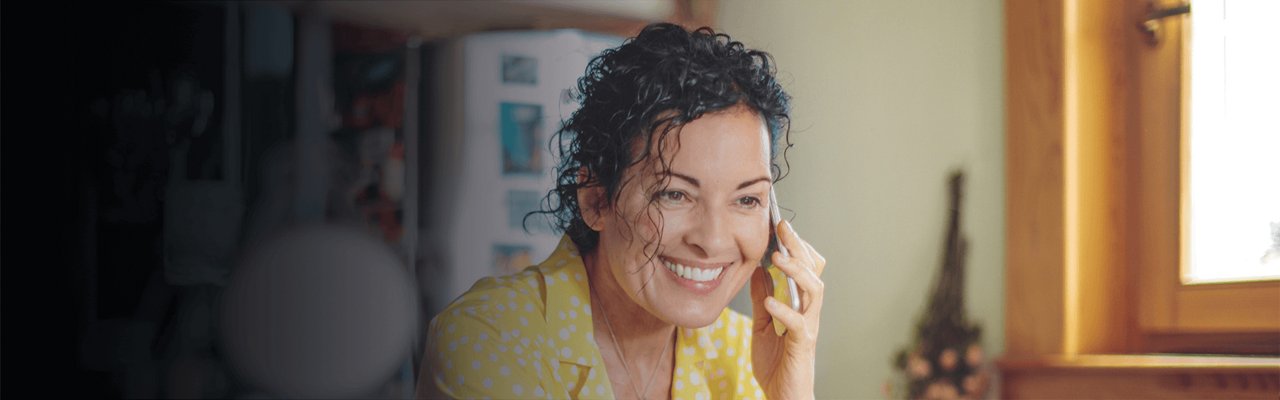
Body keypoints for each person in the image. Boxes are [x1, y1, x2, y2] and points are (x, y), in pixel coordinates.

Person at [416, 22, 826, 399]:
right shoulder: (489, 341)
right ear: (596, 198)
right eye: (674, 194)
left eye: (747, 199)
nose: (714, 239)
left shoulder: (743, 354)